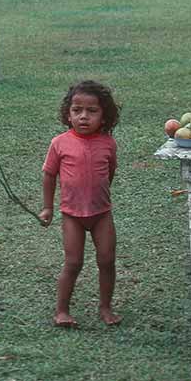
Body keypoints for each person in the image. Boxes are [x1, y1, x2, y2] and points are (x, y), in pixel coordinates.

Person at [38, 80, 123, 327]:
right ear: (68, 113)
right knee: (73, 262)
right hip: (72, 215)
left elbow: (110, 171)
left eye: (92, 111)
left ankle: (106, 308)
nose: (83, 117)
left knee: (107, 260)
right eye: (77, 110)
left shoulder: (108, 143)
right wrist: (47, 207)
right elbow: (49, 175)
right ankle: (61, 311)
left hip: (101, 214)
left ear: (104, 116)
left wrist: (99, 194)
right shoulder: (59, 143)